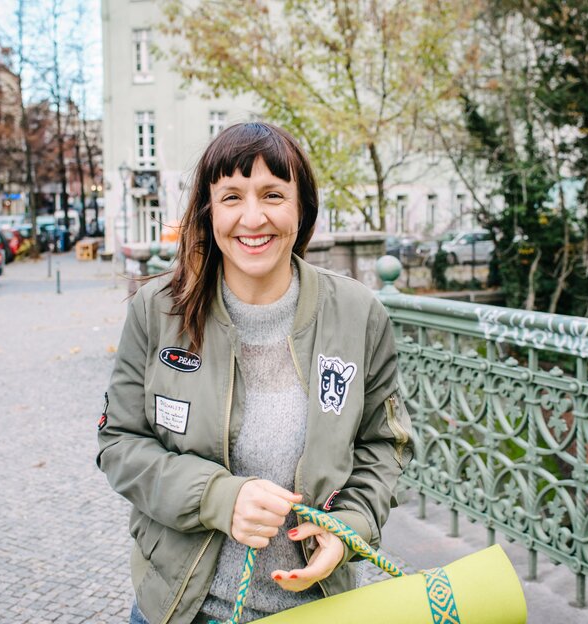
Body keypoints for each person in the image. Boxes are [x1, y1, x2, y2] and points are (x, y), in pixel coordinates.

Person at [97, 122, 412, 624]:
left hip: (317, 610)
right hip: (181, 610)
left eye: (272, 194)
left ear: (301, 207)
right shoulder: (158, 312)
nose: (252, 217)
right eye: (231, 197)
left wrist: (350, 526)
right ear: (209, 210)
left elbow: (384, 444)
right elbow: (119, 445)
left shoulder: (357, 313)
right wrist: (219, 497)